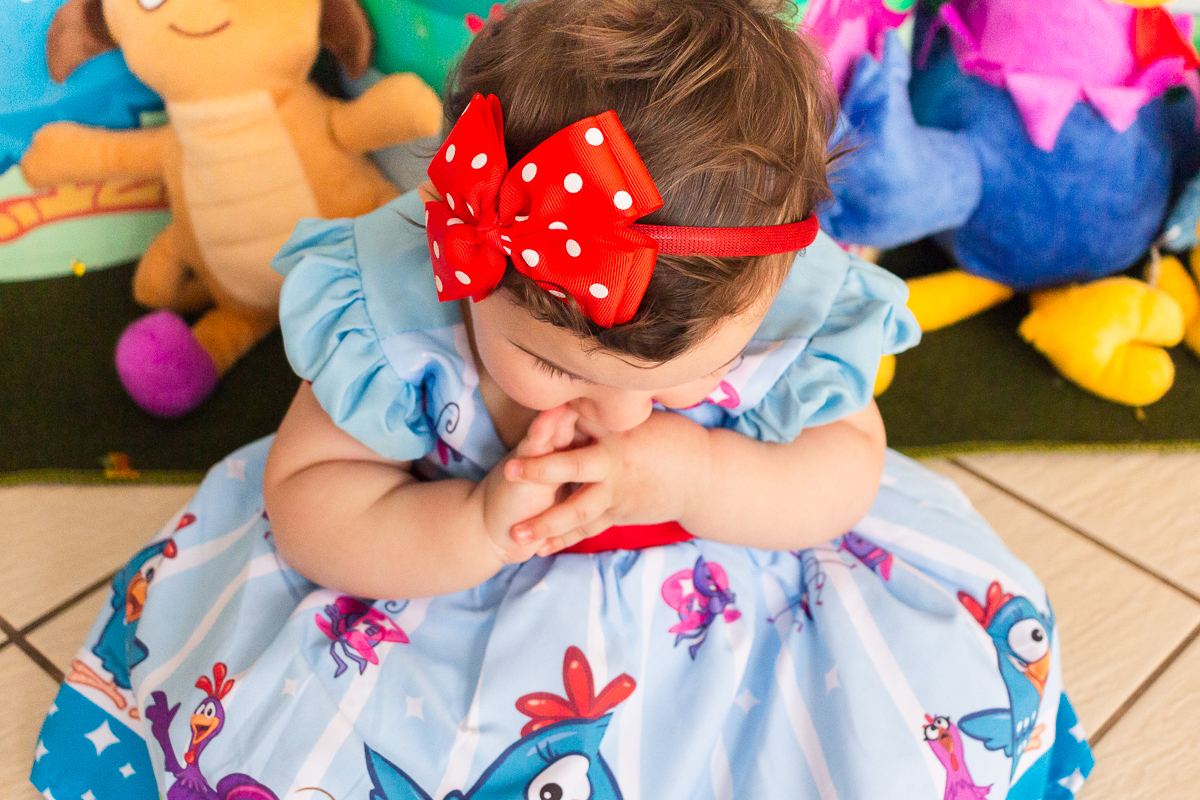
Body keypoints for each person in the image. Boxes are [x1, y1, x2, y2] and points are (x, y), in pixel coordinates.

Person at [31, 2, 1094, 799]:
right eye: (558, 366)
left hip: (741, 609)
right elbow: (307, 498)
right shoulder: (397, 315)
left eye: (671, 386)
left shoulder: (785, 306)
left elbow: (844, 470)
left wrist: (699, 471)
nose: (621, 416)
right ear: (467, 253)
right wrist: (475, 522)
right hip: (436, 594)